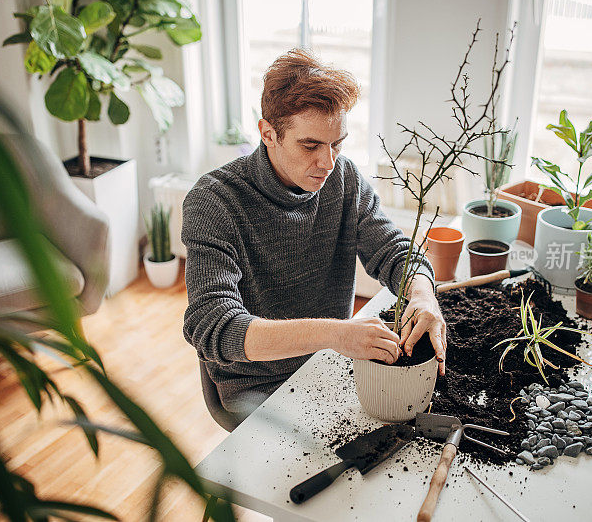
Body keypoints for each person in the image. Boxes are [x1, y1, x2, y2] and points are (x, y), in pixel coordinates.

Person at [182, 49, 446, 416]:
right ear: (268, 134)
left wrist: (423, 295)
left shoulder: (344, 178)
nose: (328, 162)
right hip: (259, 389)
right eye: (310, 145)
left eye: (337, 143)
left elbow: (395, 251)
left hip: (333, 365)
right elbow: (214, 328)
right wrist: (337, 334)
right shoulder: (215, 202)